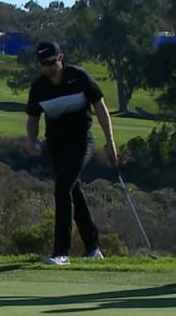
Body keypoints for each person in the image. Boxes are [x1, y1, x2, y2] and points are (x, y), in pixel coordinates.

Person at [26, 41, 118, 265]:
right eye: (42, 64)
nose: (46, 68)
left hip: (81, 141)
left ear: (60, 58)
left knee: (62, 187)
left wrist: (110, 142)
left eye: (50, 62)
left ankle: (61, 252)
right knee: (73, 191)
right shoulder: (39, 86)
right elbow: (33, 118)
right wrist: (31, 140)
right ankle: (93, 249)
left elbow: (100, 108)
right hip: (55, 145)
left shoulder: (79, 77)